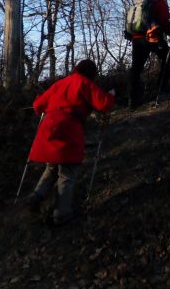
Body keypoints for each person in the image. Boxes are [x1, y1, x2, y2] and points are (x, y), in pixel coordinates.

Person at [25, 59, 116, 225]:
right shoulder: (84, 83)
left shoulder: (61, 83)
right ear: (91, 73)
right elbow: (103, 104)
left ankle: (35, 197)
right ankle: (62, 214)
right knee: (67, 172)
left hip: (48, 129)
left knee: (52, 167)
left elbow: (38, 106)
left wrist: (40, 99)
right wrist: (111, 95)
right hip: (68, 129)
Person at [126, 0, 170, 106]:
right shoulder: (160, 3)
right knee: (168, 58)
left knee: (136, 69)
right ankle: (162, 91)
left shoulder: (140, 5)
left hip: (136, 38)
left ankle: (133, 100)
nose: (166, 0)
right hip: (152, 37)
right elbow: (164, 22)